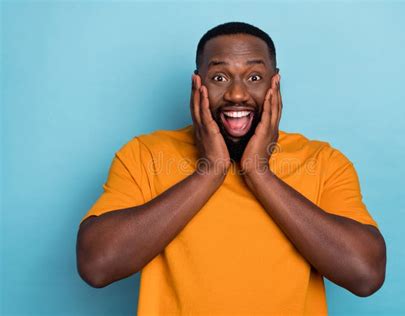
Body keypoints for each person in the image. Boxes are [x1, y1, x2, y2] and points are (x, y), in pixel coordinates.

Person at [76, 21, 386, 315]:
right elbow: (97, 265)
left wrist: (258, 172)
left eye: (254, 77)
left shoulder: (322, 161)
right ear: (198, 83)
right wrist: (210, 170)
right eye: (219, 78)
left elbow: (365, 274)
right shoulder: (144, 156)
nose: (236, 94)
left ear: (275, 84)